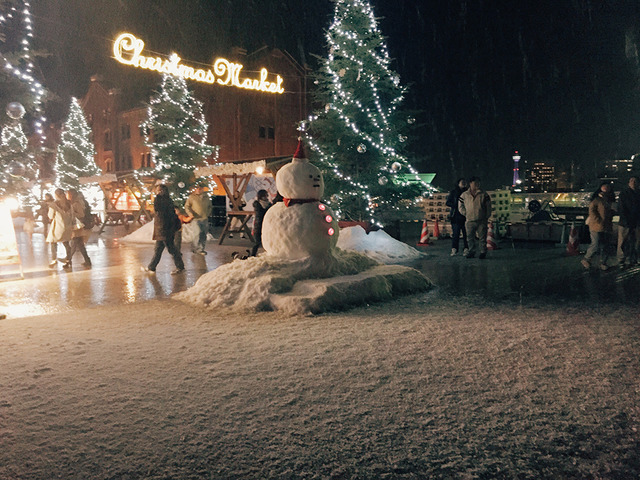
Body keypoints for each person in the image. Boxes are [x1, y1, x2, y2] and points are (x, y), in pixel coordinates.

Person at [144, 184, 184, 274]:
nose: (156, 192)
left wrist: (163, 230)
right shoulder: (168, 200)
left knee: (171, 249)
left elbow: (160, 214)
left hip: (164, 230)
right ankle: (151, 267)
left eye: (158, 190)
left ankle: (180, 266)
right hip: (163, 230)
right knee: (158, 249)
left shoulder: (160, 200)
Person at [582, 182, 615, 271]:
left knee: (605, 245)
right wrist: (599, 220)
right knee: (596, 244)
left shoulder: (607, 200)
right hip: (597, 225)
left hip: (605, 225)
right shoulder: (598, 200)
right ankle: (587, 258)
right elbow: (592, 211)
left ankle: (602, 262)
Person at [458, 176, 492, 259]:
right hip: (469, 220)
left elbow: (488, 206)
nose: (477, 185)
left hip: (481, 219)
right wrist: (465, 213)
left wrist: (487, 216)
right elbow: (460, 206)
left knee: (482, 237)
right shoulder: (465, 195)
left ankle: (483, 252)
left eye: (478, 183)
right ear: (470, 183)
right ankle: (471, 251)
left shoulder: (484, 194)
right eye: (475, 183)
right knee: (469, 237)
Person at [46, 188, 74, 269]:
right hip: (67, 226)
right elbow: (73, 216)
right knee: (66, 244)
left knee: (53, 242)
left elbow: (50, 216)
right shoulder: (69, 204)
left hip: (57, 226)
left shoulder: (53, 205)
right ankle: (68, 260)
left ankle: (54, 259)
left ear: (56, 195)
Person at [616, 176, 640, 268]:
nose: (633, 182)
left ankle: (633, 258)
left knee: (636, 242)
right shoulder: (624, 194)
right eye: (631, 181)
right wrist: (626, 220)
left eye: (635, 181)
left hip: (637, 222)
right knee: (622, 242)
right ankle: (621, 260)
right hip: (625, 222)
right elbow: (621, 208)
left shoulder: (638, 193)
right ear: (628, 183)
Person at [67, 189, 93, 267]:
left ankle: (68, 259)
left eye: (68, 194)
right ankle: (87, 260)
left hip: (78, 226)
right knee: (79, 244)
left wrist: (71, 213)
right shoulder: (77, 202)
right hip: (78, 226)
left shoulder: (76, 203)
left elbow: (81, 214)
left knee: (75, 242)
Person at [184, 183, 212, 254]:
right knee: (197, 233)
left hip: (204, 218)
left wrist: (207, 213)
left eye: (200, 188)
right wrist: (190, 214)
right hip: (196, 219)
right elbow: (187, 206)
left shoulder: (206, 197)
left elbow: (210, 206)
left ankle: (201, 248)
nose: (199, 190)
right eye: (197, 188)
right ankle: (195, 248)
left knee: (203, 233)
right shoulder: (192, 197)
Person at [446, 178, 469, 257]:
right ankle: (454, 249)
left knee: (466, 234)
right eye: (462, 182)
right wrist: (456, 205)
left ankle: (466, 249)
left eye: (464, 182)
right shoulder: (454, 192)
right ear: (458, 183)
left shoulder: (467, 192)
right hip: (455, 216)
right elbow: (448, 202)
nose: (463, 183)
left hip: (465, 216)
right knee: (456, 234)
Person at [250, 189, 272, 256]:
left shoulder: (269, 204)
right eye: (265, 195)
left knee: (268, 241)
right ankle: (252, 255)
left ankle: (269, 254)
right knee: (257, 242)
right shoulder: (257, 204)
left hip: (267, 225)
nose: (266, 197)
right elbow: (259, 214)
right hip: (259, 225)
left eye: (266, 195)